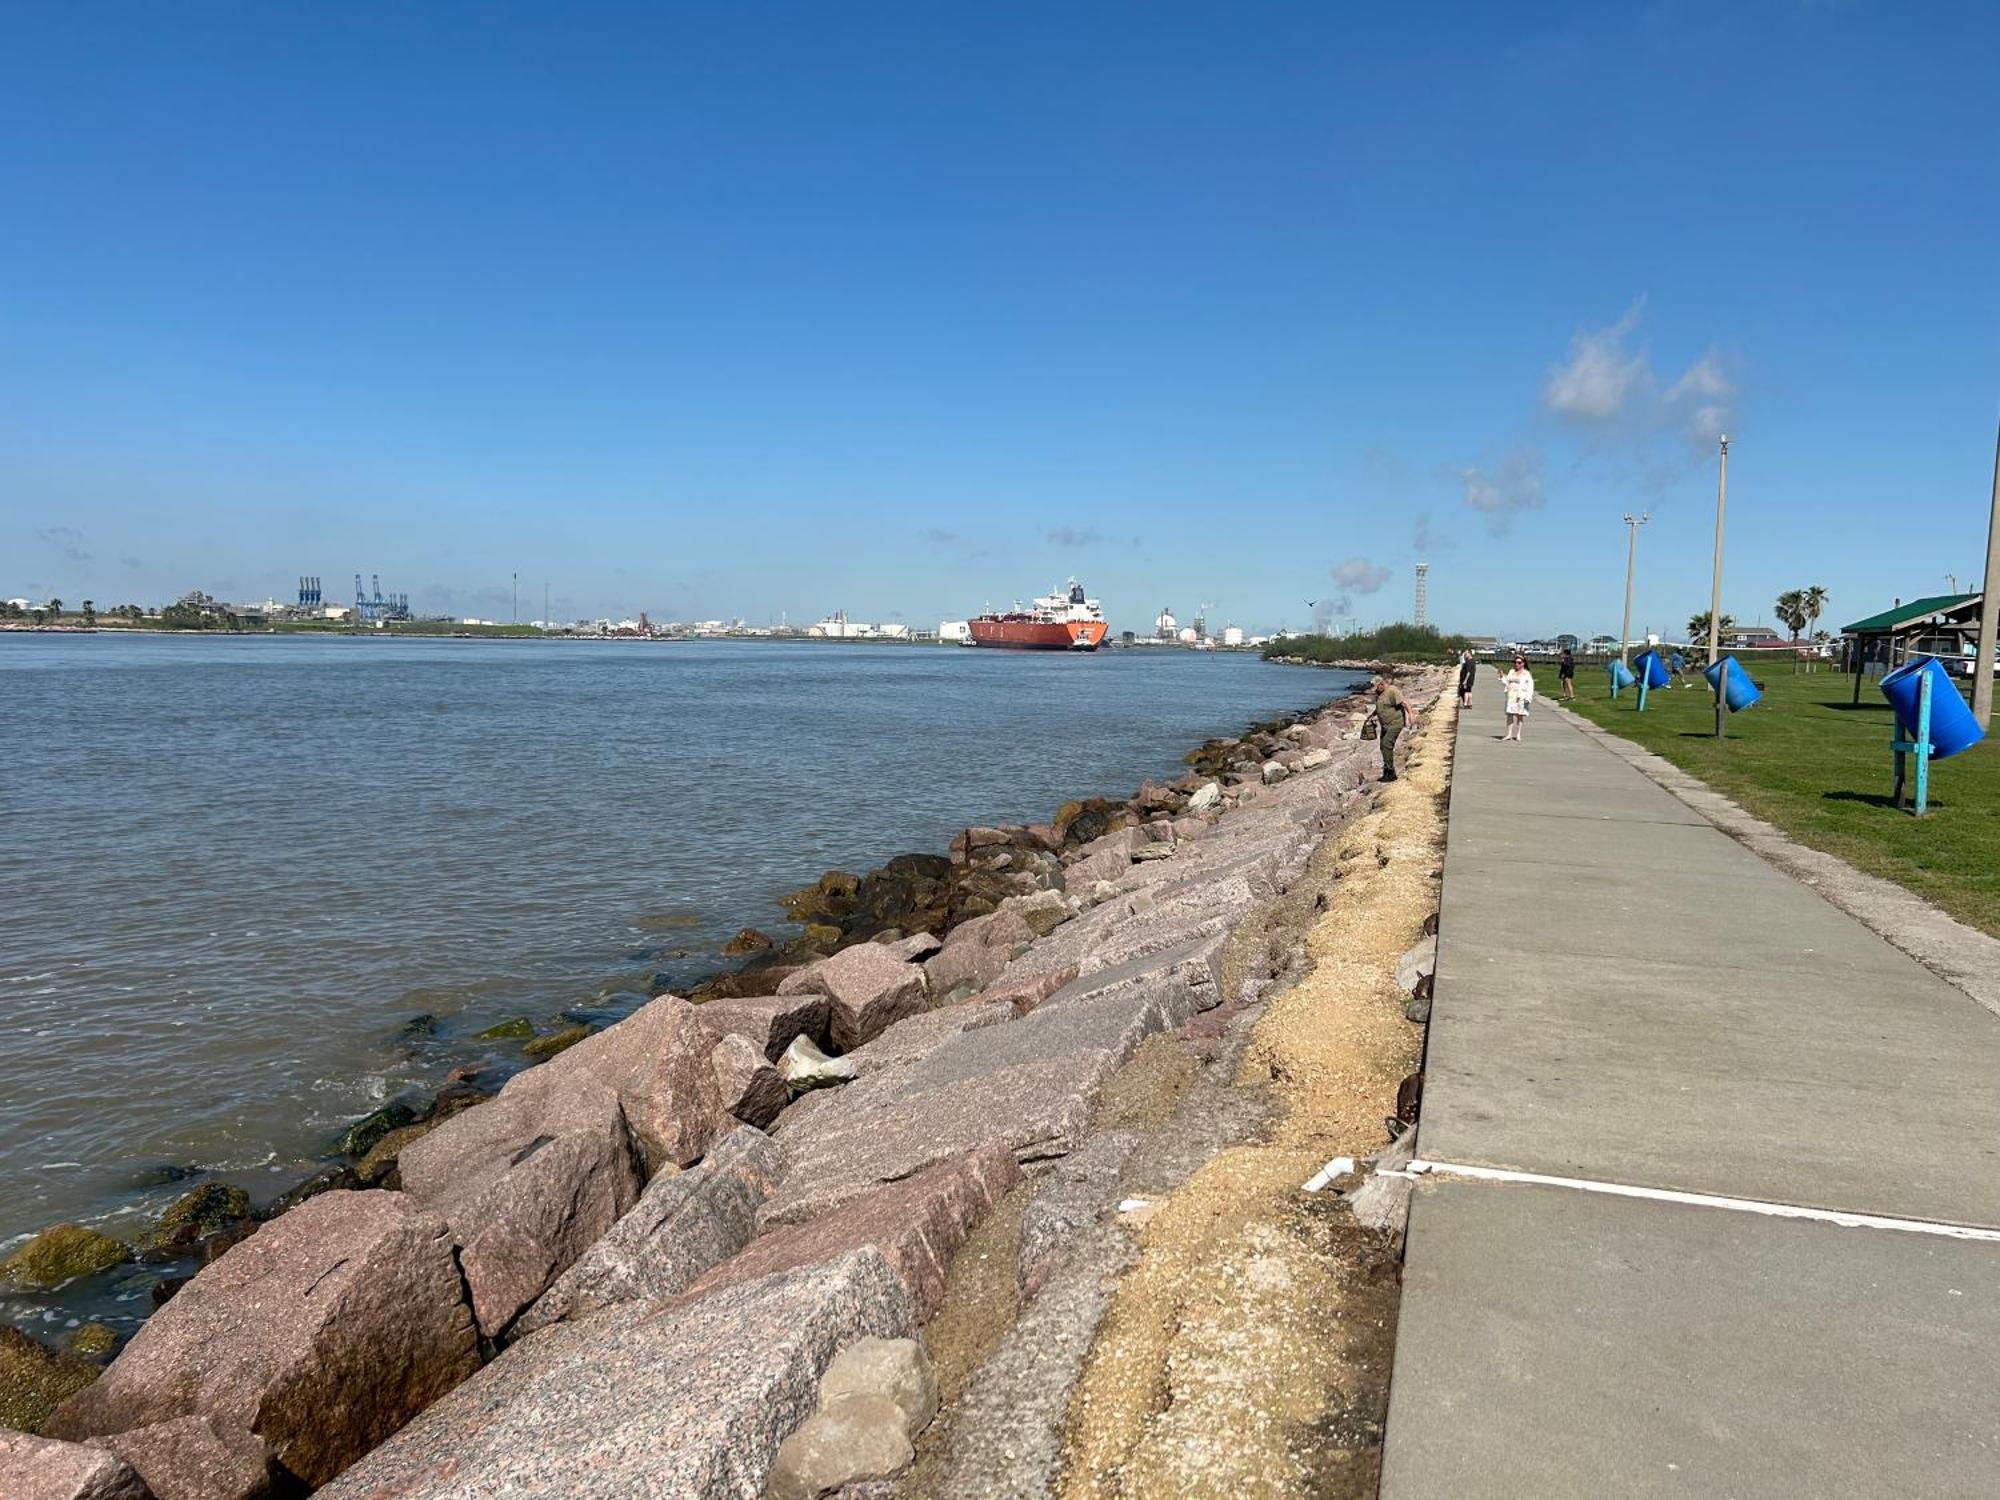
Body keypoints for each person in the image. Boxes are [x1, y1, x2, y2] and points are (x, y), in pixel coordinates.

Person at [1372, 675, 1414, 781]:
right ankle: (1387, 770)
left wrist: (1411, 715)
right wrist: (1373, 715)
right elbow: (1381, 706)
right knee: (1383, 746)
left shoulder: (1392, 691)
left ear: (1381, 684)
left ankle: (1390, 773)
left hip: (1395, 723)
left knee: (1387, 744)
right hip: (1385, 725)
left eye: (1377, 687)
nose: (1375, 690)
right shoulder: (1380, 693)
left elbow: (1404, 703)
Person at [1501, 655, 1535, 741]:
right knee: (1510, 714)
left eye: (1519, 662)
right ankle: (1509, 734)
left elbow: (1530, 686)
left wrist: (1528, 697)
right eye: (1515, 662)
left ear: (1523, 663)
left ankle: (1518, 734)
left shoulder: (1526, 673)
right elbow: (1507, 682)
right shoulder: (1511, 671)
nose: (1517, 664)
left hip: (1520, 696)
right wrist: (1502, 677)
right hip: (1511, 695)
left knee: (1519, 715)